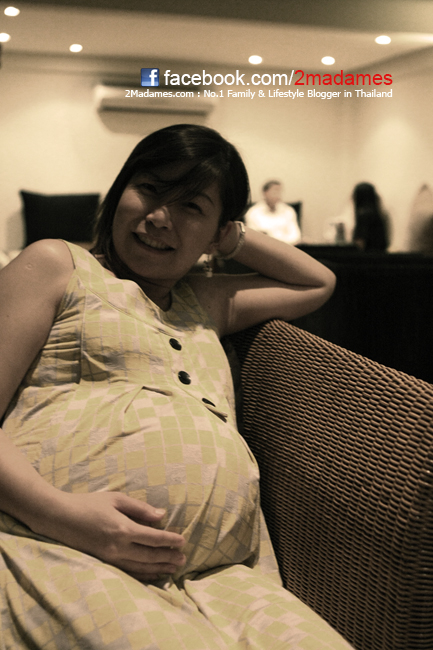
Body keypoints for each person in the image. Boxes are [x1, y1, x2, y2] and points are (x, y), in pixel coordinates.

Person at [0, 124, 352, 649]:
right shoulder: (58, 265)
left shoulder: (204, 302)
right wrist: (63, 516)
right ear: (120, 190)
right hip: (59, 546)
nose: (159, 217)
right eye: (149, 188)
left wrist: (226, 236)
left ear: (218, 233)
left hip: (223, 576)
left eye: (190, 206)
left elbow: (318, 282)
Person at [245, 180, 302, 244]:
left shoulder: (288, 211)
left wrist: (270, 236)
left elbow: (295, 237)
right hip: (262, 248)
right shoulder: (253, 213)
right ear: (265, 193)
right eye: (275, 192)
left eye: (279, 192)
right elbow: (253, 238)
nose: (278, 195)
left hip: (285, 247)